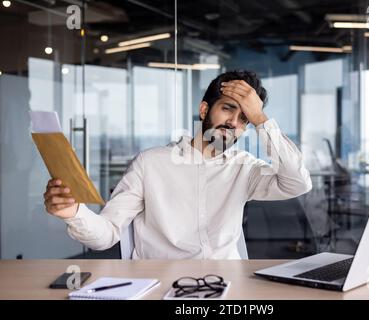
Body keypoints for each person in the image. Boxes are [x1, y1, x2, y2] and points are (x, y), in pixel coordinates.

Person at [43, 70, 312, 259]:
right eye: (228, 108)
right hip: (163, 284)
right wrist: (73, 212)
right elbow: (106, 235)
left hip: (228, 286)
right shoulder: (151, 164)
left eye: (245, 119)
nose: (233, 123)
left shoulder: (245, 168)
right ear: (204, 110)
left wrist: (261, 118)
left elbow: (297, 183)